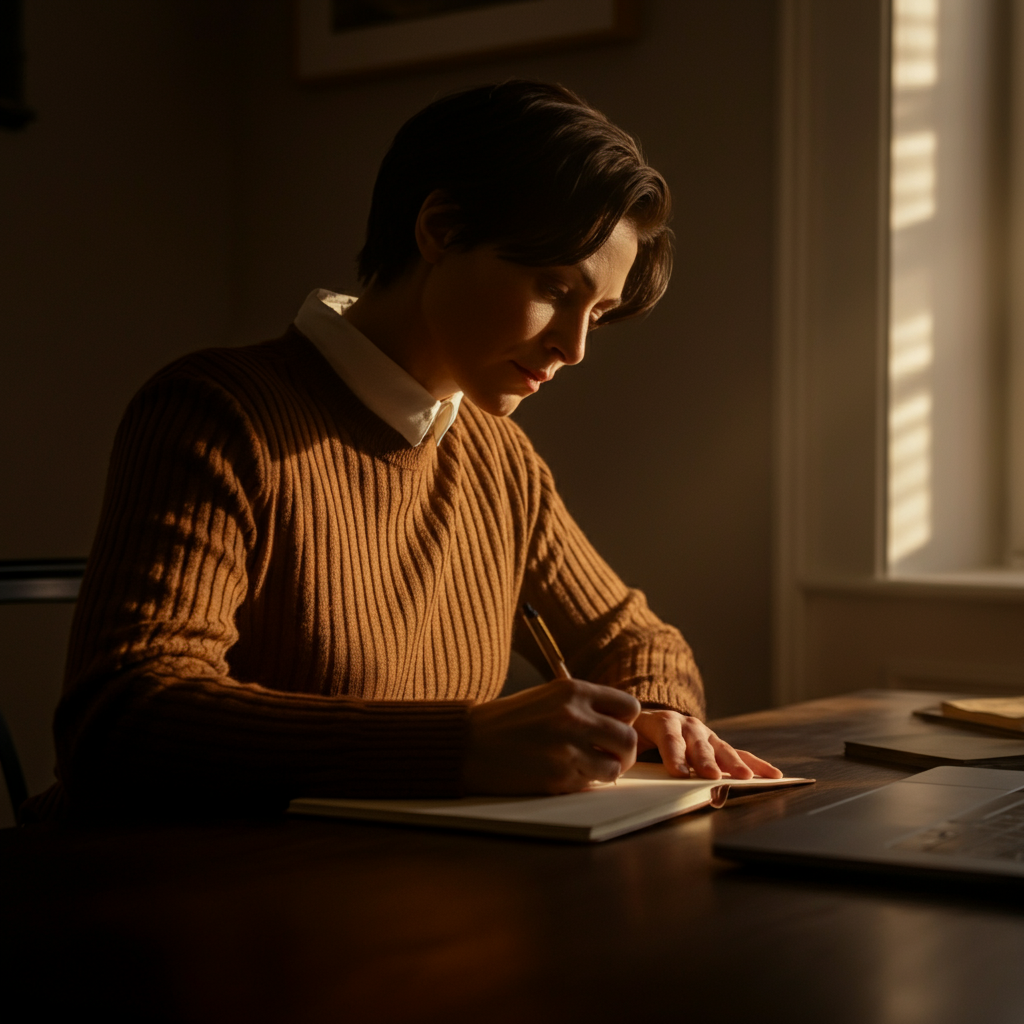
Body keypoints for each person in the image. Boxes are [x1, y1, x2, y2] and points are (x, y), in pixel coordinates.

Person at [29, 80, 779, 822]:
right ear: (441, 229)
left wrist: (652, 717)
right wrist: (460, 746)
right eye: (555, 289)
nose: (575, 347)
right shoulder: (218, 415)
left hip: (394, 895)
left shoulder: (500, 460)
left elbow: (633, 636)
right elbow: (120, 718)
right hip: (161, 902)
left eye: (600, 313)